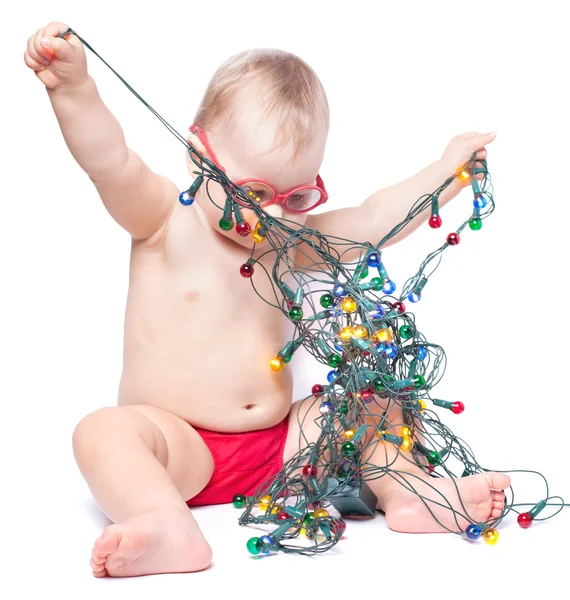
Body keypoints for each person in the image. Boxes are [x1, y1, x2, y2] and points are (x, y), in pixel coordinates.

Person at [24, 20, 509, 577]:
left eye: (297, 195)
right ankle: (167, 524)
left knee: (373, 400)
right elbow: (107, 159)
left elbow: (375, 218)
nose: (273, 214)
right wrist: (71, 88)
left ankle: (411, 493)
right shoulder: (160, 218)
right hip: (182, 450)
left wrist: (448, 170)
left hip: (283, 450)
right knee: (103, 432)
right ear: (197, 154)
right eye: (254, 193)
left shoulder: (288, 242)